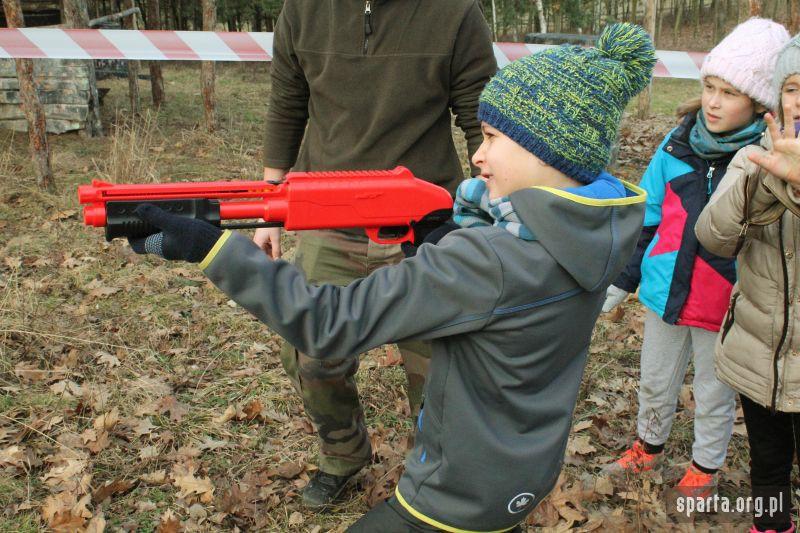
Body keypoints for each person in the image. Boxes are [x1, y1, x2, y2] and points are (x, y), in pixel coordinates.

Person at [126, 22, 654, 531]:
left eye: (492, 136)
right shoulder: (596, 229)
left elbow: (329, 322)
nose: (477, 153)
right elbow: (507, 295)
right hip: (518, 476)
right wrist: (442, 238)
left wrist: (212, 248)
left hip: (449, 497)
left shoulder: (484, 261)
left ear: (547, 149)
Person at [252, 0, 498, 508]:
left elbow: (481, 113)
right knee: (311, 351)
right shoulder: (302, 11)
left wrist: (492, 203)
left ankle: (436, 470)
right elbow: (288, 101)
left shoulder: (456, 13)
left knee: (439, 362)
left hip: (426, 223)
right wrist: (270, 204)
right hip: (328, 213)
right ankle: (343, 455)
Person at [600, 18, 790, 496]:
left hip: (724, 303)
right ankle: (648, 445)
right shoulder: (674, 144)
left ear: (759, 103)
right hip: (664, 291)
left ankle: (706, 465)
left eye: (730, 92)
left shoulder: (762, 158)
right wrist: (624, 279)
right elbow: (645, 218)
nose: (713, 101)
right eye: (709, 86)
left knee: (714, 391)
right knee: (654, 378)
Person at [696, 34, 800, 533]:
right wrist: (767, 183)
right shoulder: (752, 158)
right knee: (769, 463)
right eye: (794, 87)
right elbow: (713, 236)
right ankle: (770, 523)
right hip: (759, 350)